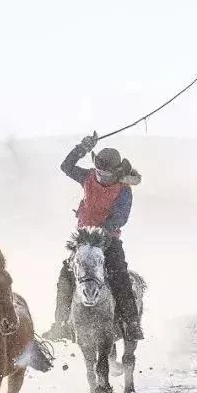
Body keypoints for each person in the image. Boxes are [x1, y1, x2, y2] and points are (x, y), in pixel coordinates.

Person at [44, 133, 144, 343]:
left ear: (117, 172)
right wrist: (83, 147)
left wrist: (103, 230)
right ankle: (60, 324)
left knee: (119, 275)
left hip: (109, 240)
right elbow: (66, 166)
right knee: (66, 275)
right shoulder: (87, 177)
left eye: (105, 174)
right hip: (83, 239)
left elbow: (121, 217)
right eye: (98, 172)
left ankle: (132, 322)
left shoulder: (124, 190)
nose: (100, 177)